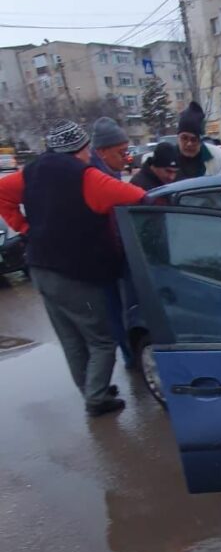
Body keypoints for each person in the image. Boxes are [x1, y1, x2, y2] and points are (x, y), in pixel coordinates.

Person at [0, 121, 146, 417]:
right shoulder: (88, 178)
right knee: (101, 339)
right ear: (82, 149)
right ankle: (96, 398)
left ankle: (93, 389)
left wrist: (25, 228)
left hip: (40, 268)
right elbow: (138, 198)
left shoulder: (32, 172)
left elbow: (2, 194)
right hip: (75, 274)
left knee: (71, 338)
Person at [89, 116, 135, 367]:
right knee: (117, 312)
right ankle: (130, 358)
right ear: (103, 151)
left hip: (113, 253)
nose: (126, 158)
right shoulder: (96, 177)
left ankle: (130, 355)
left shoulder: (111, 172)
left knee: (122, 310)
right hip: (104, 258)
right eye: (121, 152)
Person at [174, 101, 221, 180]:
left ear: (200, 141)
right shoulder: (168, 157)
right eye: (184, 138)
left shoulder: (219, 157)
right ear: (178, 137)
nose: (189, 144)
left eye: (193, 139)